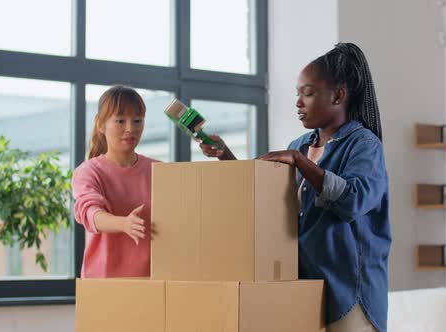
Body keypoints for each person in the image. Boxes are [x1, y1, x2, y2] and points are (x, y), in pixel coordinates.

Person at [199, 43, 390, 332]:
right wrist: (225, 155)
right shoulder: (298, 147)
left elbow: (354, 200)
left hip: (350, 292)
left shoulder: (364, 145)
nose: (298, 102)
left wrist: (302, 164)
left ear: (338, 95)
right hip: (304, 286)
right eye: (297, 94)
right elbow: (261, 195)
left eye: (308, 93)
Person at [72, 85, 159, 278]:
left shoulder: (160, 171)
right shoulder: (88, 171)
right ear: (100, 124)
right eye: (120, 121)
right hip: (104, 284)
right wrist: (124, 224)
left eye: (137, 120)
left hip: (154, 282)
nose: (130, 129)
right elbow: (90, 213)